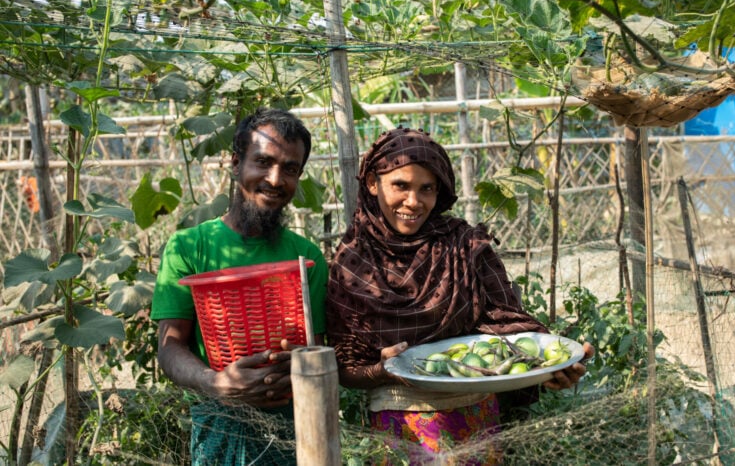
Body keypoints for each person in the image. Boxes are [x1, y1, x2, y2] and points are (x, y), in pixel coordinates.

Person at [326, 127, 594, 463]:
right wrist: (381, 371)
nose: (414, 201)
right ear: (372, 183)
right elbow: (346, 366)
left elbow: (509, 327)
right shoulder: (353, 262)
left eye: (427, 189)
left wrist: (552, 365)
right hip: (399, 430)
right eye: (401, 185)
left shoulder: (463, 246)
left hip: (476, 419)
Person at [150, 107, 328, 465]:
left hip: (298, 431)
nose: (275, 179)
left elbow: (317, 348)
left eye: (290, 169)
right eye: (263, 162)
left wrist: (299, 371)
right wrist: (215, 382)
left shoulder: (306, 257)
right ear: (235, 163)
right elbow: (170, 348)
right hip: (219, 430)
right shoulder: (189, 247)